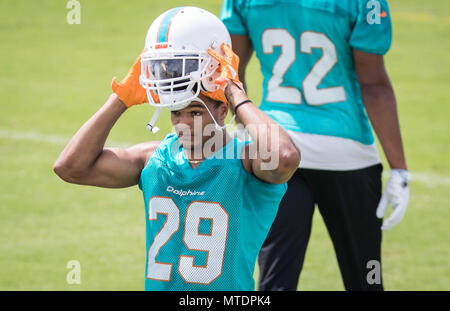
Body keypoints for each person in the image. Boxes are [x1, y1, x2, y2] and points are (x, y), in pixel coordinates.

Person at [53, 6, 300, 291]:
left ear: (223, 111)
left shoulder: (246, 162)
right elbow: (69, 167)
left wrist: (234, 90)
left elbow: (285, 157)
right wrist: (121, 98)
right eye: (175, 112)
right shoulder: (154, 160)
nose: (183, 123)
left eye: (195, 113)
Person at [220, 0, 409, 290]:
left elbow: (232, 72)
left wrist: (246, 130)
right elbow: (374, 87)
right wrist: (399, 170)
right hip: (348, 153)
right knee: (368, 274)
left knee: (275, 282)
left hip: (277, 151)